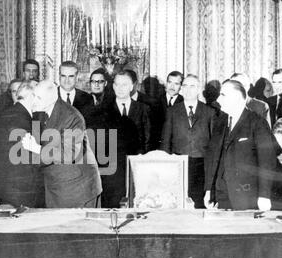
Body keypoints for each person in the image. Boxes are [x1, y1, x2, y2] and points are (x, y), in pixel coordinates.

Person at [22, 80, 102, 208]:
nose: (34, 101)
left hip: (76, 188)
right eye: (34, 96)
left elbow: (69, 154)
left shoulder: (71, 117)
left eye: (38, 98)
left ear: (52, 99)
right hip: (57, 184)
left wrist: (35, 148)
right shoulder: (42, 114)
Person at [204, 80, 276, 210]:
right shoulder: (220, 122)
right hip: (222, 194)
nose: (218, 99)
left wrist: (264, 196)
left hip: (247, 196)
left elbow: (267, 162)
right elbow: (213, 158)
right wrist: (209, 190)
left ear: (237, 97)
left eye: (223, 95)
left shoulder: (257, 122)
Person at [0, 80, 44, 208]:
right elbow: (27, 159)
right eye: (39, 97)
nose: (40, 102)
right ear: (31, 97)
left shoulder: (10, 113)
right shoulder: (22, 119)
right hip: (11, 191)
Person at [160, 74, 216, 208]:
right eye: (185, 86)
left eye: (192, 86)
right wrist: (166, 164)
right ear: (181, 89)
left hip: (202, 165)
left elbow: (214, 143)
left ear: (199, 90)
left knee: (198, 202)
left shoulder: (210, 112)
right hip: (179, 163)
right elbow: (166, 140)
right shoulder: (172, 111)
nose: (188, 89)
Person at [99, 71, 151, 207]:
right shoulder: (103, 110)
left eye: (124, 84)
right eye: (117, 84)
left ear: (132, 87)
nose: (120, 88)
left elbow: (148, 139)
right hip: (111, 171)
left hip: (136, 167)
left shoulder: (143, 109)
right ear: (113, 87)